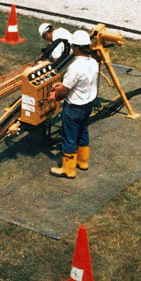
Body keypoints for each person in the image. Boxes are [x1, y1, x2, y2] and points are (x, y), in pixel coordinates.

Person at [48, 29, 99, 179]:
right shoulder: (93, 63)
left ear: (75, 47)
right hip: (87, 105)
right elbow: (78, 83)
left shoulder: (75, 67)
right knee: (83, 131)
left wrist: (55, 95)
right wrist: (62, 85)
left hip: (74, 107)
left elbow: (64, 92)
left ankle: (68, 169)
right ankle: (83, 162)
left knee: (69, 137)